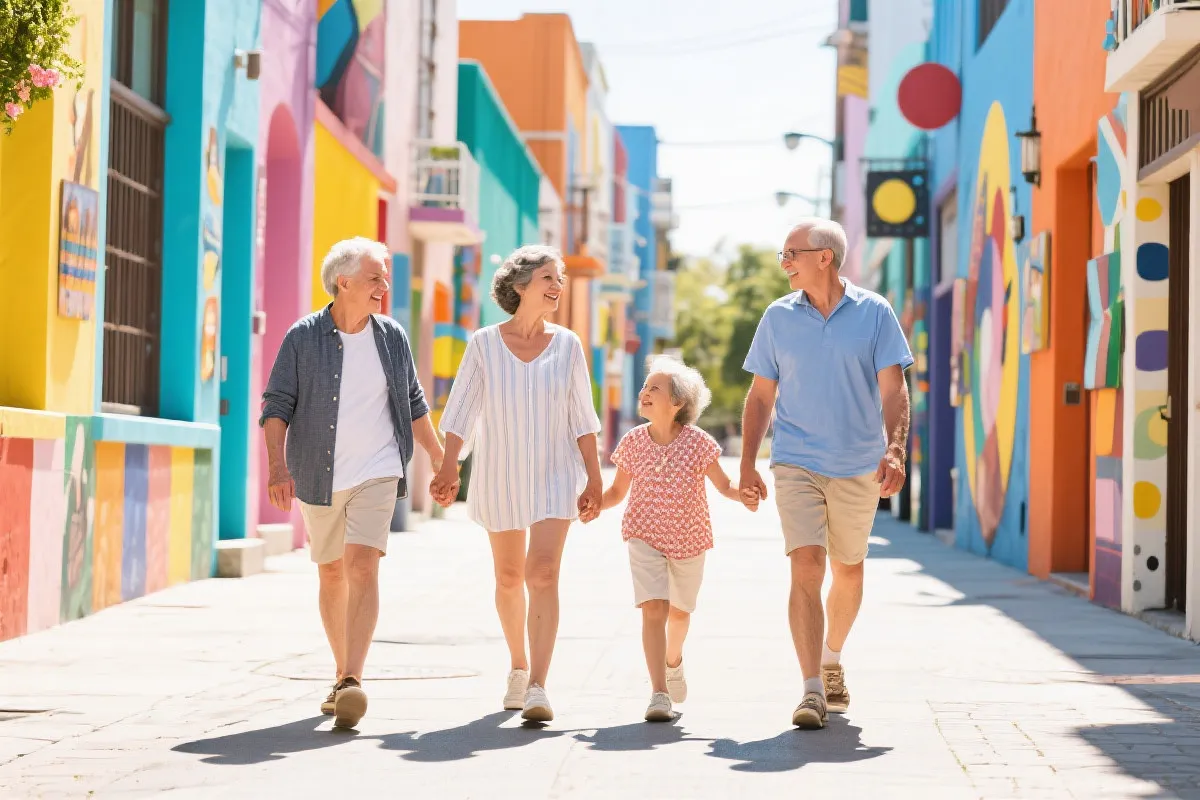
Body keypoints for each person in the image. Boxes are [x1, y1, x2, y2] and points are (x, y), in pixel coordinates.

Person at [260, 236, 445, 730]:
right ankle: (341, 673)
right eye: (375, 278)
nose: (384, 286)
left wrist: (441, 459)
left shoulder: (391, 336)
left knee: (363, 565)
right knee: (332, 573)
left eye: (384, 277)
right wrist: (278, 468)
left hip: (379, 469)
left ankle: (352, 681)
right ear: (344, 283)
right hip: (318, 474)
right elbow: (276, 406)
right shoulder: (302, 338)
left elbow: (412, 401)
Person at [740, 218, 913, 730]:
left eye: (791, 253)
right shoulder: (777, 317)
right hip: (796, 460)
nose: (784, 262)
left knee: (849, 570)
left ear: (825, 258)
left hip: (859, 464)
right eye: (783, 254)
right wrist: (748, 464)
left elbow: (894, 389)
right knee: (807, 567)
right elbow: (761, 396)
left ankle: (832, 656)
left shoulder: (875, 313)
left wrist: (897, 449)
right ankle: (811, 689)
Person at [430, 245, 602, 723]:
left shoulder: (568, 345)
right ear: (520, 286)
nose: (558, 285)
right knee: (509, 578)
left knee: (542, 573)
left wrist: (594, 478)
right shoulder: (483, 343)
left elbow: (582, 418)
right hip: (499, 474)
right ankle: (518, 666)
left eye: (561, 278)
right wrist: (448, 468)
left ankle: (539, 686)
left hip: (555, 473)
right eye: (549, 276)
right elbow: (460, 410)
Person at [597, 356, 757, 722]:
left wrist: (743, 494)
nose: (644, 392)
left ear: (678, 403)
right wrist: (592, 506)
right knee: (654, 609)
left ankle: (674, 660)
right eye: (644, 387)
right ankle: (658, 693)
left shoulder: (698, 443)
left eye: (655, 388)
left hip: (689, 539)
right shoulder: (633, 442)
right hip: (644, 535)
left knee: (680, 615)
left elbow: (724, 485)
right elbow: (617, 492)